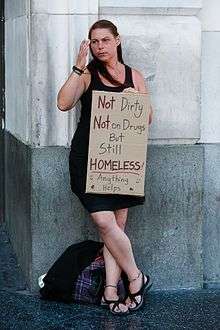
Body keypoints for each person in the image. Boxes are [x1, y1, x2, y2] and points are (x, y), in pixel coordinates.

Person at [57, 19, 153, 315]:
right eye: (94, 42)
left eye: (105, 40)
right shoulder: (87, 74)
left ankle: (111, 291)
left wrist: (136, 101)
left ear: (117, 40)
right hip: (88, 160)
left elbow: (147, 118)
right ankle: (137, 278)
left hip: (122, 160)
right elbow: (63, 103)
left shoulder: (134, 75)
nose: (100, 47)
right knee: (104, 222)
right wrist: (77, 66)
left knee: (116, 228)